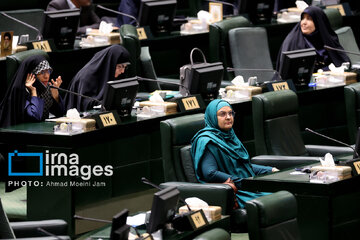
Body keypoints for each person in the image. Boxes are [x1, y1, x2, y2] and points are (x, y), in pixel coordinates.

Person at [191, 99, 279, 208]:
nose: (228, 117)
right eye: (222, 114)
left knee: (283, 192)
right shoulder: (207, 141)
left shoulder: (230, 136)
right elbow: (210, 173)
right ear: (213, 117)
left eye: (230, 113)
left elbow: (241, 166)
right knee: (277, 199)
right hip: (233, 192)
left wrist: (270, 170)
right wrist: (243, 182)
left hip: (246, 186)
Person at [276, 6, 350, 72]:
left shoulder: (328, 39)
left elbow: (343, 63)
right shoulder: (293, 42)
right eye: (302, 18)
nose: (303, 22)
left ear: (318, 22)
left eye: (309, 19)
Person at [0, 55, 65, 128]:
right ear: (32, 74)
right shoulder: (21, 90)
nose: (47, 76)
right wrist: (33, 92)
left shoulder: (44, 87)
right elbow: (35, 116)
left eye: (48, 71)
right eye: (42, 72)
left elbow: (60, 113)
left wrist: (55, 94)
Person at [64, 44, 130, 112]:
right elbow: (84, 104)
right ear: (111, 63)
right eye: (120, 66)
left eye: (125, 67)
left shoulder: (108, 72)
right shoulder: (87, 77)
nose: (122, 71)